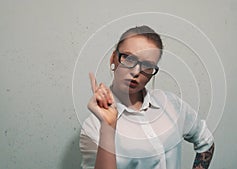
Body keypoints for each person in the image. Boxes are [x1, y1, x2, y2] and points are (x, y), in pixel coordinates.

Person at [79, 25, 215, 169]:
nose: (136, 72)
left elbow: (206, 141)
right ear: (113, 58)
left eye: (147, 65)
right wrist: (108, 128)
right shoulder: (93, 126)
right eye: (129, 58)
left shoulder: (171, 104)